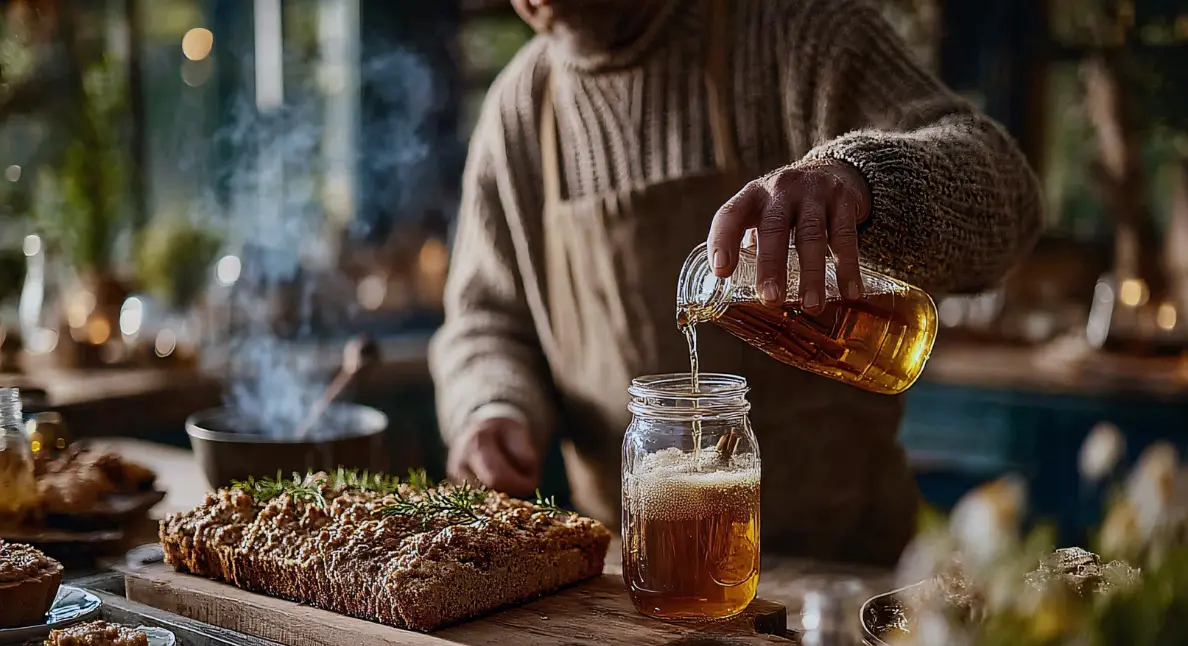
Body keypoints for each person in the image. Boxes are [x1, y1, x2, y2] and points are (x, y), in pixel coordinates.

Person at [430, 0, 1042, 566]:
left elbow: (1008, 195)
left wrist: (864, 181)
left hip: (845, 568)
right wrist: (492, 406)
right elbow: (487, 322)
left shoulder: (798, 31)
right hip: (632, 581)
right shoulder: (519, 110)